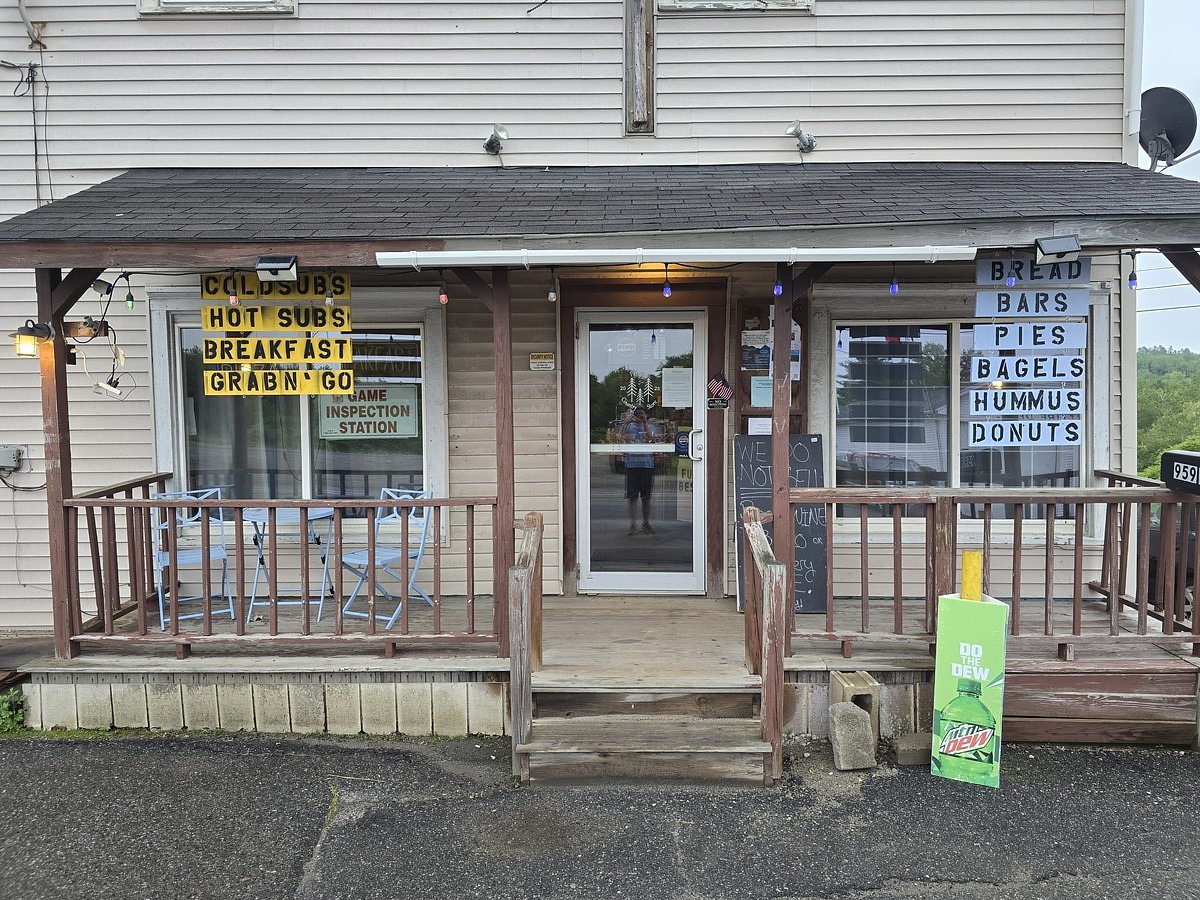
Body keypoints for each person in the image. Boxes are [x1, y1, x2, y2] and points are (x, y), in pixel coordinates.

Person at [619, 407, 658, 536]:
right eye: (636, 415)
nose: (638, 417)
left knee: (646, 498)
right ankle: (632, 524)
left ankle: (645, 523)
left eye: (641, 414)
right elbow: (619, 438)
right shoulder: (629, 426)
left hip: (646, 465)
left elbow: (650, 439)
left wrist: (645, 422)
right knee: (632, 497)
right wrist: (626, 422)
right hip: (632, 465)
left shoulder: (650, 426)